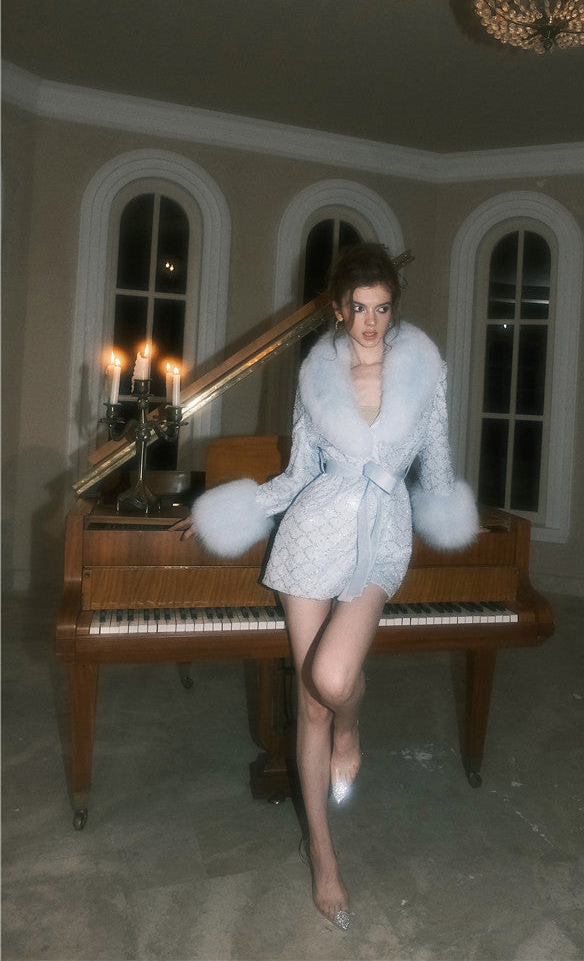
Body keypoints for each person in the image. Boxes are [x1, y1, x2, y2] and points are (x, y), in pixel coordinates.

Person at [190, 243, 478, 931]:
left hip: (382, 534)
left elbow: (437, 468)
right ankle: (323, 853)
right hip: (311, 531)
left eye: (383, 308)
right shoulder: (317, 374)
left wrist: (457, 513)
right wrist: (226, 510)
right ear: (339, 310)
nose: (371, 322)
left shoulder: (425, 371)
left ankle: (352, 726)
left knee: (333, 677)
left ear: (393, 308)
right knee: (309, 704)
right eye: (359, 308)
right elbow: (298, 475)